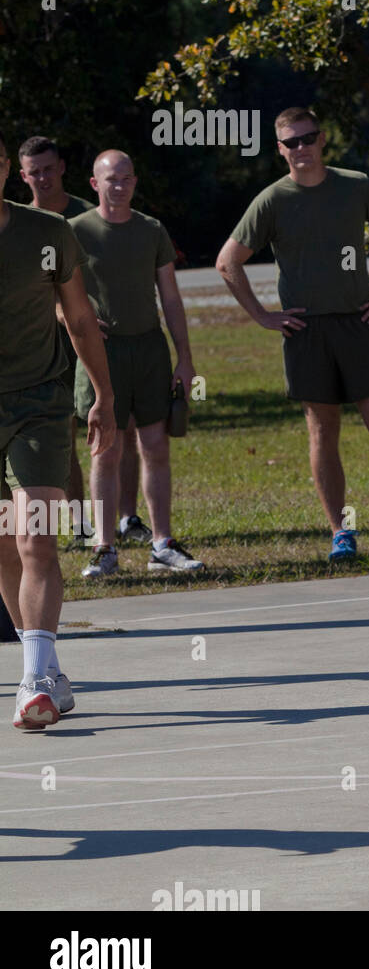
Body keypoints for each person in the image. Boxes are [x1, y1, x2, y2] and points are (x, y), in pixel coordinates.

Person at [216, 108, 369, 560]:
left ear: (322, 139)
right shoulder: (272, 200)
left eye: (308, 138)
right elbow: (228, 262)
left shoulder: (356, 185)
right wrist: (263, 316)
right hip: (306, 330)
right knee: (322, 430)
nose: (301, 148)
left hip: (359, 322)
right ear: (280, 149)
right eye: (292, 142)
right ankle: (341, 534)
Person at [0, 133, 116, 728]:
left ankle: (35, 679)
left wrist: (102, 396)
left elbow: (78, 318)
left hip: (39, 407)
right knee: (2, 545)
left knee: (36, 536)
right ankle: (45, 666)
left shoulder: (46, 234)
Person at [70, 151, 204, 577]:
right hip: (100, 354)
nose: (120, 185)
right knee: (105, 450)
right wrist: (77, 320)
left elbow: (171, 297)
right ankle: (104, 548)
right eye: (112, 179)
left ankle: (162, 543)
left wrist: (185, 358)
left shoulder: (152, 229)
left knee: (155, 447)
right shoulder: (74, 232)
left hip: (149, 350)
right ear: (95, 184)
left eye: (127, 178)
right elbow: (51, 295)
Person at [17, 136, 96, 538]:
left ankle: (121, 520)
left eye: (49, 169)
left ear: (62, 167)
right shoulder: (20, 225)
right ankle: (78, 525)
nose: (43, 178)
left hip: (96, 340)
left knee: (109, 434)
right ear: (22, 176)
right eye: (35, 173)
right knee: (60, 439)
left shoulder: (89, 215)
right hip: (47, 349)